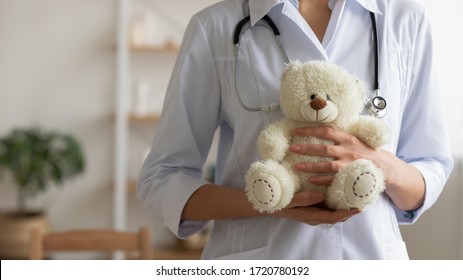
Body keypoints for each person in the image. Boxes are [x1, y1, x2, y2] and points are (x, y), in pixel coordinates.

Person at [137, 0, 453, 259]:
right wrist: (266, 201)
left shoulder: (404, 20)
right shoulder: (216, 27)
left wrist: (379, 163)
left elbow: (430, 168)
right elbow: (162, 178)